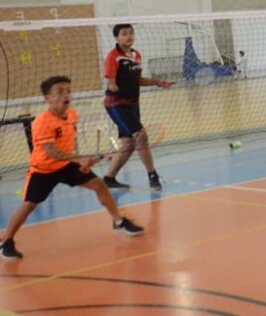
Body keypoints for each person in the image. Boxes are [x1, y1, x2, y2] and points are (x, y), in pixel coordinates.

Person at [0, 76, 144, 259]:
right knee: (28, 205)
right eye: (59, 92)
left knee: (99, 185)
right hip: (43, 169)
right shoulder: (42, 122)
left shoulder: (72, 115)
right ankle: (6, 242)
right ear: (47, 98)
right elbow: (51, 152)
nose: (66, 94)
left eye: (68, 90)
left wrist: (82, 162)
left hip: (67, 165)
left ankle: (119, 221)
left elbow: (68, 144)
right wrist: (79, 159)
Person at [103, 24, 172, 191]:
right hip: (117, 104)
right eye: (124, 34)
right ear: (117, 38)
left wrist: (157, 82)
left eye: (131, 33)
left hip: (133, 104)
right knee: (141, 137)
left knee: (128, 144)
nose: (128, 37)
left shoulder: (136, 55)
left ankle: (108, 179)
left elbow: (138, 80)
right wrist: (114, 87)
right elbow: (111, 82)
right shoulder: (113, 57)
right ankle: (153, 175)